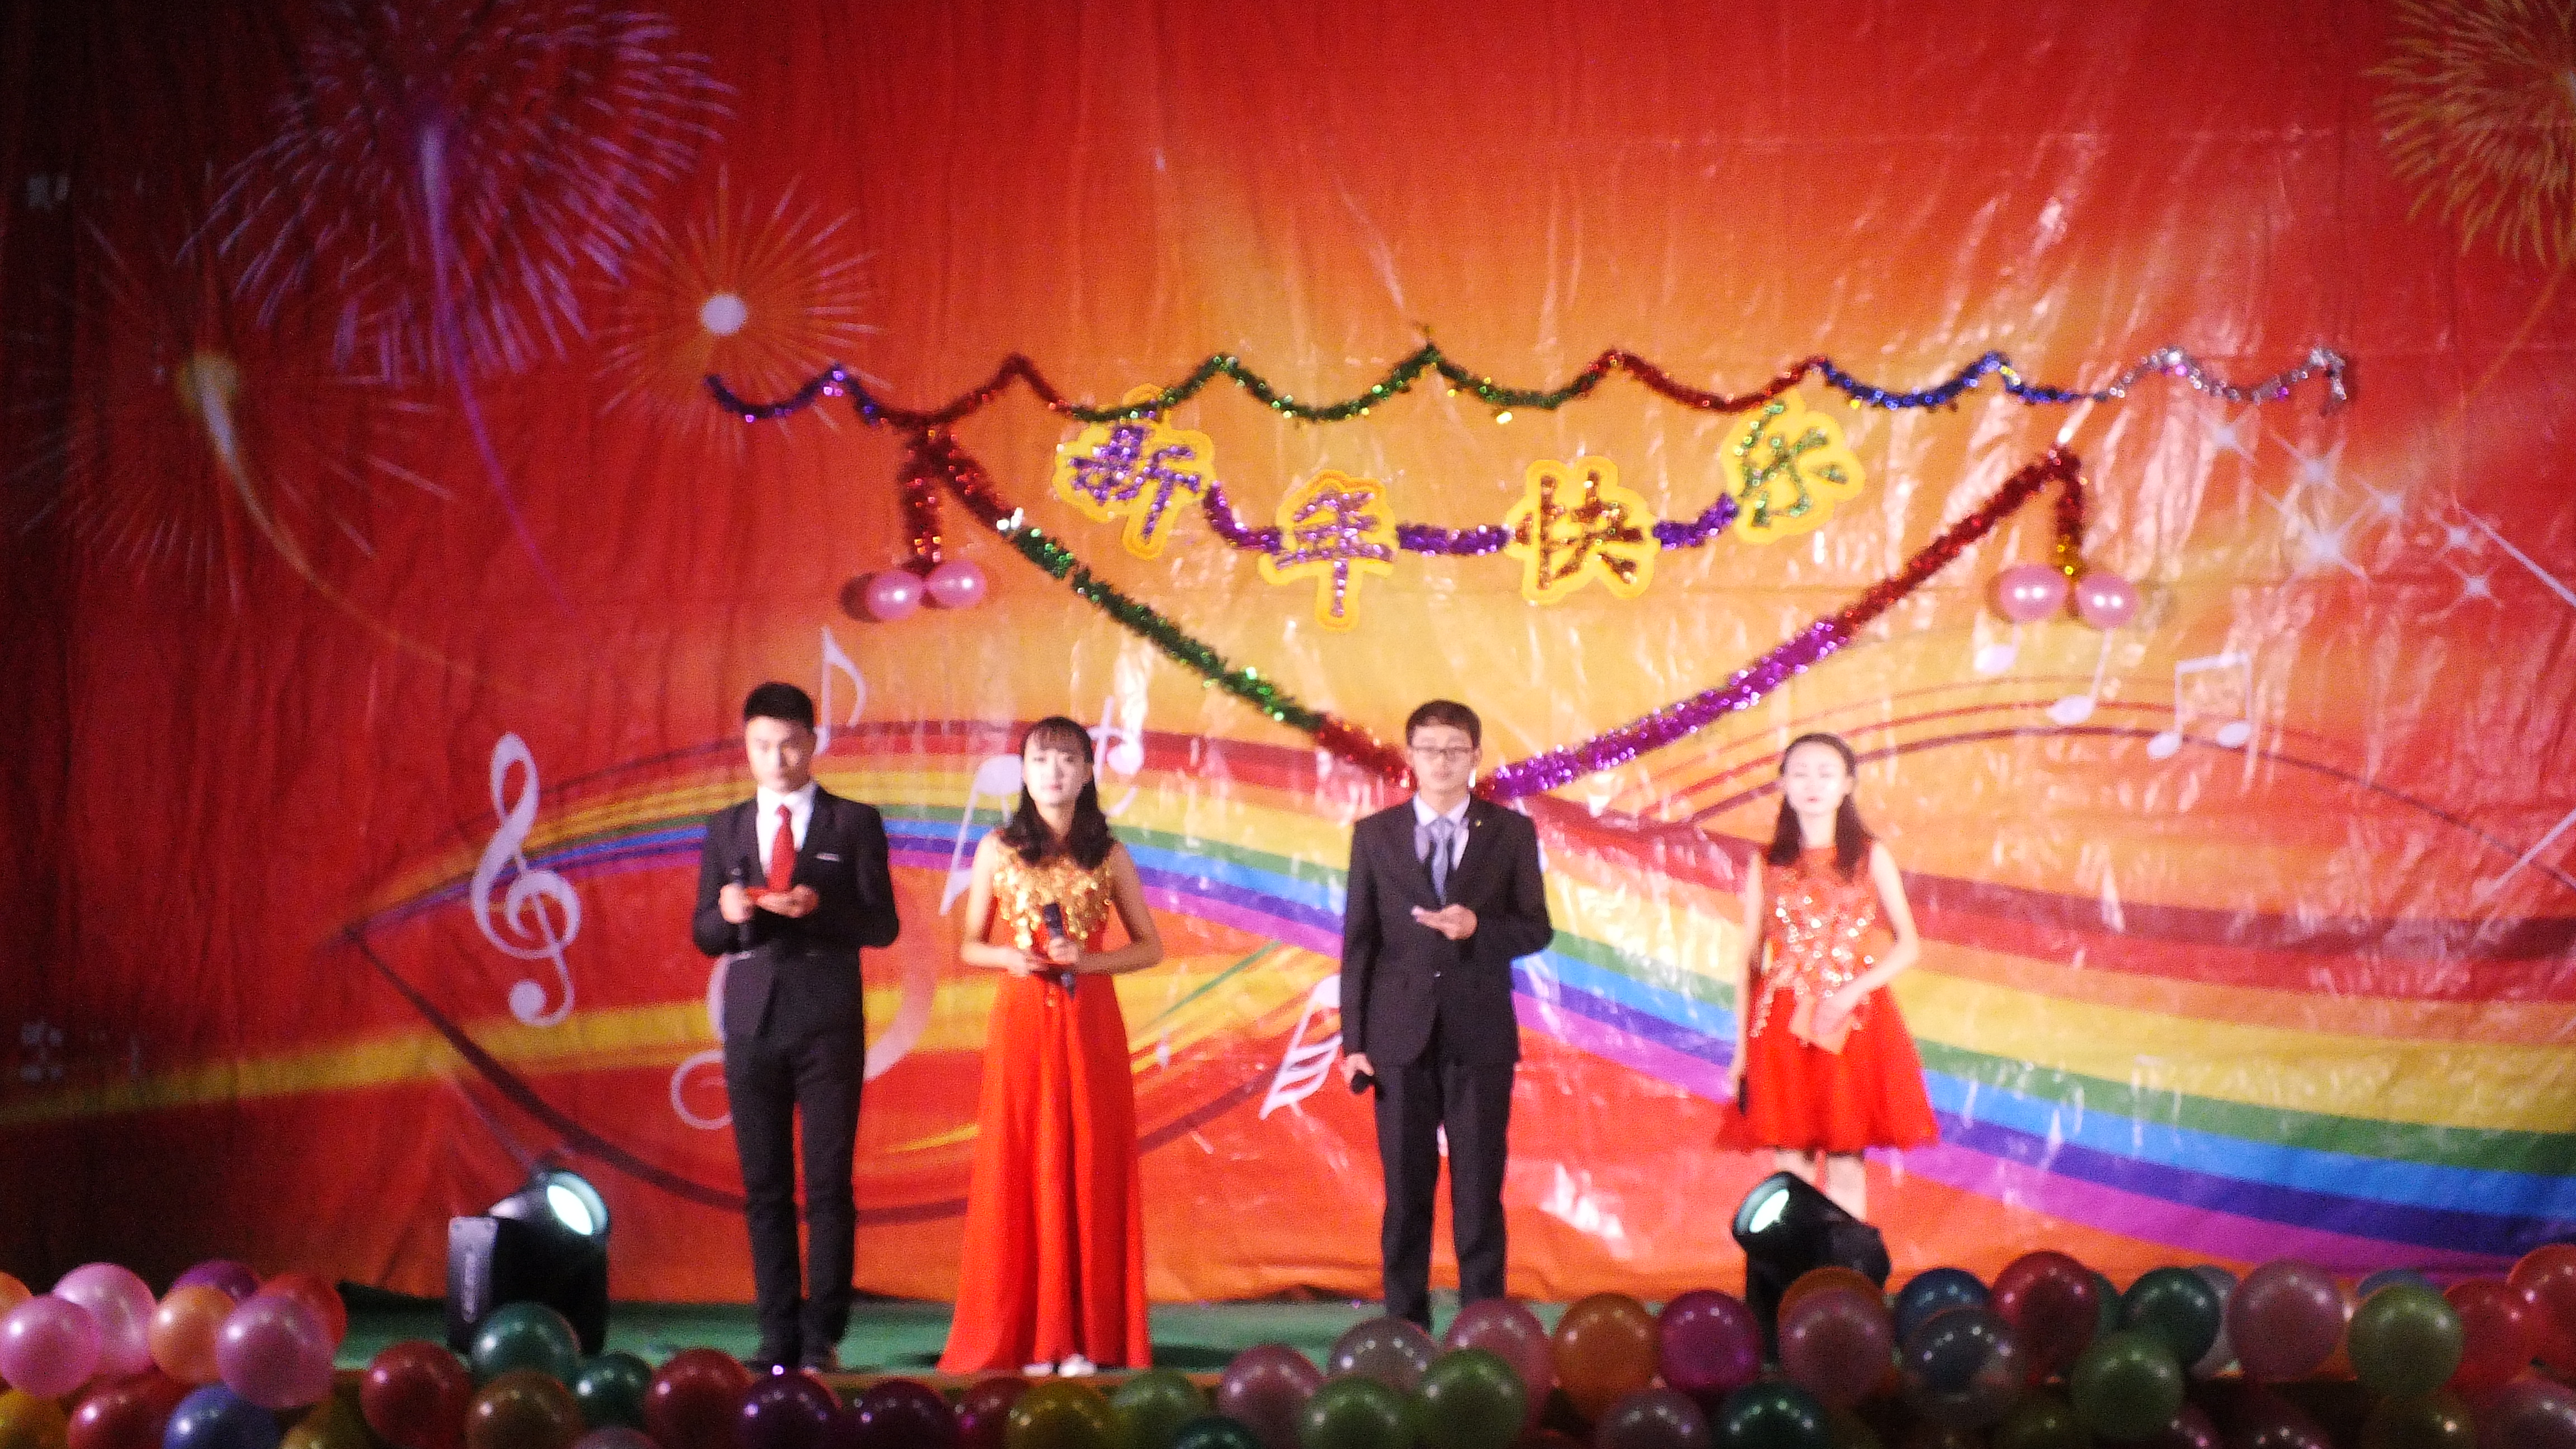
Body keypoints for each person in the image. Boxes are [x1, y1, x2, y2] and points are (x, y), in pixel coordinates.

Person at [939, 717, 1163, 1376]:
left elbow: (1150, 946)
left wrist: (1087, 962)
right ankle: (1035, 1337)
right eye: (1041, 760)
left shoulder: (1110, 854)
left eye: (1067, 760)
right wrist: (1009, 957)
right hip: (1023, 1025)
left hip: (1090, 1022)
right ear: (1024, 772)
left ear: (1088, 772)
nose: (1054, 772)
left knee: (1089, 1164)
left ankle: (1087, 1339)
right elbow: (969, 943)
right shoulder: (997, 849)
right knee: (1026, 1163)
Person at [689, 682, 900, 1371]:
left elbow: (882, 924)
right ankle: (776, 1334)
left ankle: (821, 1335)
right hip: (752, 1023)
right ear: (746, 747)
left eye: (788, 744)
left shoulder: (853, 822)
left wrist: (819, 908)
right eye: (762, 745)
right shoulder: (725, 827)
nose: (776, 759)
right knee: (765, 1187)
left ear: (812, 743)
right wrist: (728, 915)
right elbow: (705, 933)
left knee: (829, 1184)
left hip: (827, 1022)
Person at [1336, 700, 1555, 1329]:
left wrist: (1478, 927)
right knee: (1406, 1193)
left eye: (1455, 750)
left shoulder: (1509, 833)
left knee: (1478, 1192)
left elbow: (1536, 928)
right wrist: (1355, 1040)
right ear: (1410, 757)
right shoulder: (1375, 835)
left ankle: (1483, 1326)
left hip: (1479, 1034)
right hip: (1397, 1037)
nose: (1441, 761)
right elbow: (1359, 943)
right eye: (1429, 749)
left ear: (1476, 757)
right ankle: (1405, 1328)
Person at [1717, 731, 1938, 1218]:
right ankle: (1793, 1268)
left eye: (1825, 774)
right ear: (1784, 784)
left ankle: (1844, 1268)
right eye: (1800, 773)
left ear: (1847, 785)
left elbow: (1909, 944)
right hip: (1781, 1024)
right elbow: (1749, 960)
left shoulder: (1869, 856)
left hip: (1851, 1024)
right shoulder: (1767, 863)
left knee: (1845, 1165)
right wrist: (1741, 1053)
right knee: (1789, 1173)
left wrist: (1852, 992)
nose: (1813, 784)